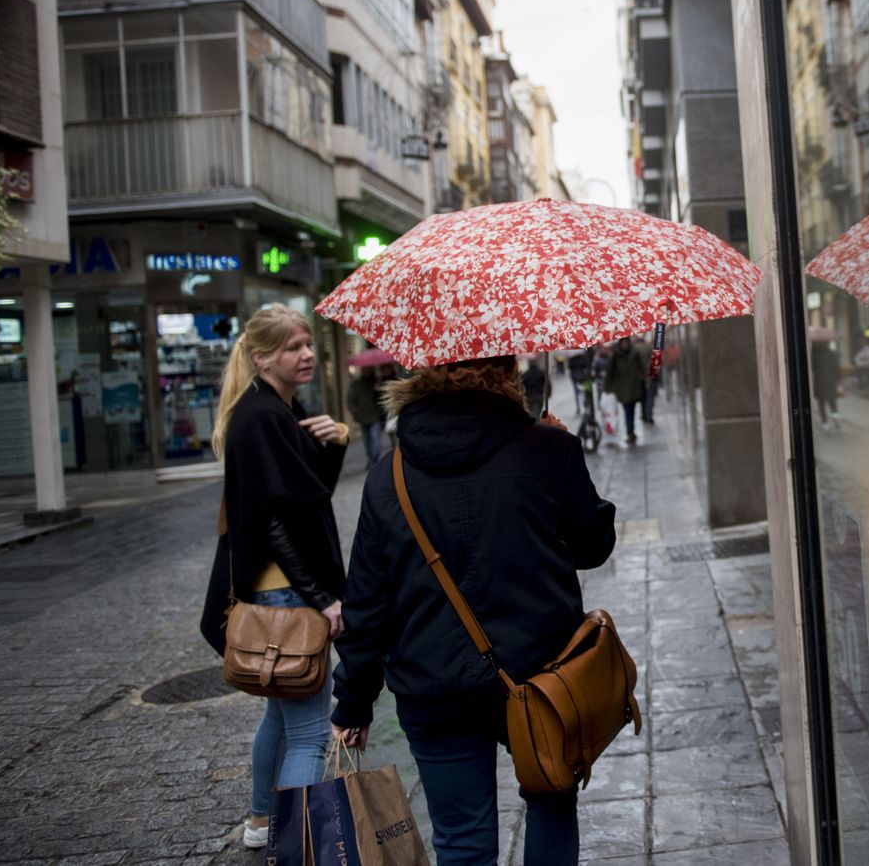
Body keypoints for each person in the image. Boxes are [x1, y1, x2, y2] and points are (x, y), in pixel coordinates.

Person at [329, 356, 616, 866]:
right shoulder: (547, 450)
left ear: (419, 377)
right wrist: (564, 457)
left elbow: (367, 601)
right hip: (541, 677)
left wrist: (353, 701)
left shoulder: (387, 475)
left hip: (432, 684)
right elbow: (592, 546)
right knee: (551, 802)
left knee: (461, 839)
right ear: (507, 372)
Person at [198, 305, 349, 852]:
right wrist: (323, 597)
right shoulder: (262, 418)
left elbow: (309, 495)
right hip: (287, 591)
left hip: (275, 590)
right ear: (261, 357)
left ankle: (263, 821)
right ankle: (301, 841)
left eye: (308, 344)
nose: (306, 354)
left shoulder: (279, 411)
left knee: (281, 717)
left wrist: (334, 442)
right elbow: (274, 521)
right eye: (291, 347)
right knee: (310, 729)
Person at [603, 336, 650, 445]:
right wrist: (607, 387)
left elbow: (642, 367)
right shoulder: (615, 355)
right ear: (620, 343)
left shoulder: (635, 353)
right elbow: (610, 372)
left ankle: (631, 431)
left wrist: (645, 380)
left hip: (634, 386)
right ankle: (630, 432)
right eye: (623, 342)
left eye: (626, 342)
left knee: (631, 410)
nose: (624, 344)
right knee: (627, 410)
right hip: (622, 388)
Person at [348, 367, 383, 465]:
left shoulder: (376, 381)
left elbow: (381, 398)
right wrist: (356, 412)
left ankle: (376, 459)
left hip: (374, 416)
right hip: (362, 417)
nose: (366, 371)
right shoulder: (356, 384)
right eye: (364, 370)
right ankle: (371, 458)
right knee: (367, 440)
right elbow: (350, 400)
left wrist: (378, 389)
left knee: (374, 437)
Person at [811, 340, 840, 430]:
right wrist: (838, 379)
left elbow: (812, 368)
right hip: (830, 380)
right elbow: (836, 367)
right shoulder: (832, 353)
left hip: (819, 381)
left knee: (821, 403)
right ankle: (835, 417)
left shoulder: (814, 355)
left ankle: (825, 424)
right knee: (832, 400)